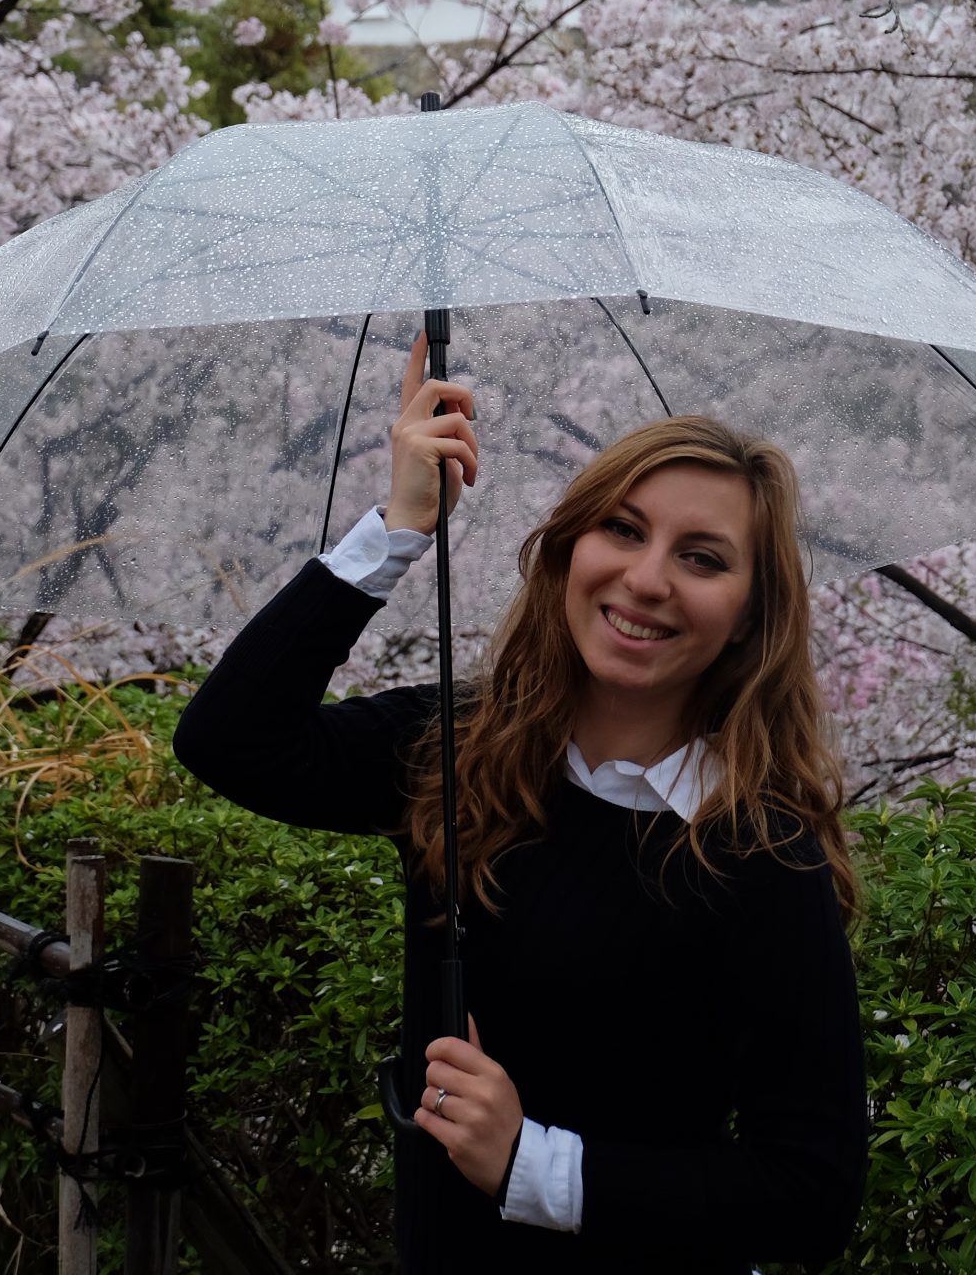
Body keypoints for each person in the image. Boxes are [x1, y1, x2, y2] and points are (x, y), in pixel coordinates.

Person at [173, 334, 869, 1272]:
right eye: (622, 530)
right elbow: (228, 740)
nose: (648, 579)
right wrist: (399, 526)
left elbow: (810, 1198)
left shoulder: (755, 855)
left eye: (701, 558)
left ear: (749, 613)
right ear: (567, 549)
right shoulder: (459, 753)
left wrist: (534, 1166)